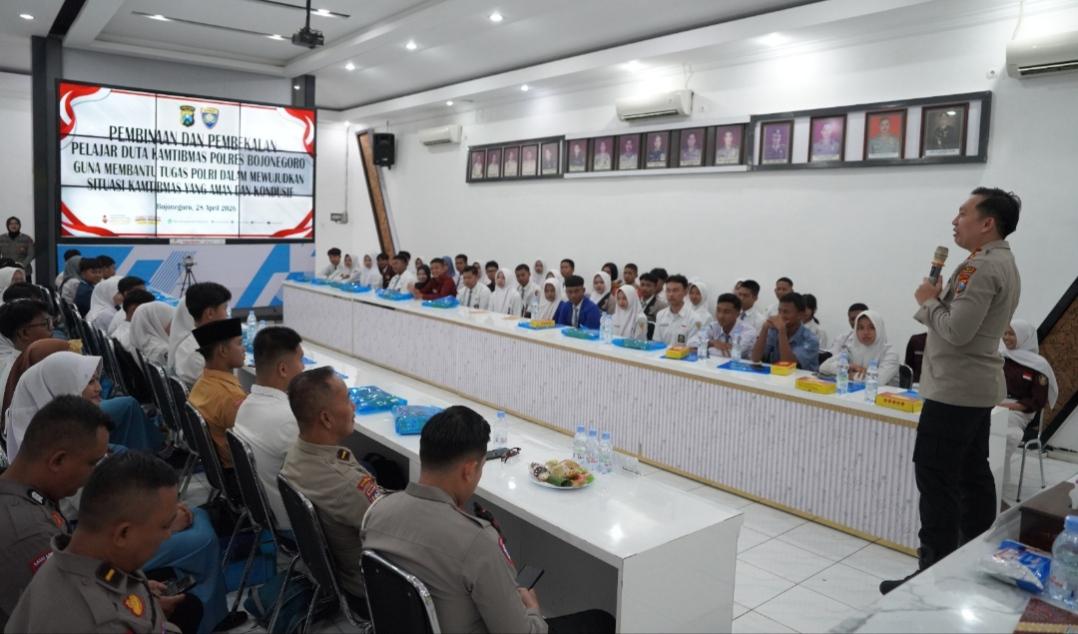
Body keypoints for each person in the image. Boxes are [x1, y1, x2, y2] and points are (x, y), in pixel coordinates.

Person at [361, 405, 615, 634]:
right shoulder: (477, 542)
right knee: (600, 621)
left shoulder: (376, 512)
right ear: (469, 470)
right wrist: (534, 611)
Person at [881, 187, 1022, 594]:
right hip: (974, 386)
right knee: (972, 473)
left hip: (954, 390)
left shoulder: (978, 268)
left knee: (936, 478)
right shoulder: (1002, 261)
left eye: (963, 213)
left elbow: (957, 332)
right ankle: (969, 563)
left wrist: (928, 301)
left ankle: (932, 573)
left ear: (987, 222)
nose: (954, 221)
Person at [6, 451, 193, 634]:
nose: (168, 535)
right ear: (123, 534)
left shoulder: (69, 558)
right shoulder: (103, 625)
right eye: (164, 526)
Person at [0, 396, 110, 628]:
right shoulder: (30, 535)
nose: (95, 474)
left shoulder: (17, 491)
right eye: (92, 463)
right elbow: (69, 619)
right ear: (58, 460)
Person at [280, 367, 384, 609]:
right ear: (326, 419)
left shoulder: (295, 455)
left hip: (340, 572)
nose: (353, 406)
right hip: (369, 586)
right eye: (347, 399)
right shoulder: (346, 483)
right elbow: (393, 530)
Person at [6, 350, 163, 459]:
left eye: (97, 380)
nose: (99, 388)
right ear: (64, 386)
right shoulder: (57, 450)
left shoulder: (51, 424)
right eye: (90, 382)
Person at [233, 327, 305, 531]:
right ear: (283, 369)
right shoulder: (288, 419)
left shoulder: (246, 405)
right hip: (295, 524)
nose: (303, 368)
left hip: (265, 513)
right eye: (301, 360)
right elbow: (320, 476)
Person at [999, 319, 1058, 488]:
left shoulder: (1038, 365)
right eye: (1005, 333)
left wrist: (1010, 406)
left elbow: (1037, 401)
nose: (1006, 338)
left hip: (1021, 411)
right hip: (996, 404)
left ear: (1024, 337)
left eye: (1012, 334)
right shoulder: (1001, 357)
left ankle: (998, 481)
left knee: (1001, 431)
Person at [188, 317, 246, 469]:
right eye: (239, 343)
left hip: (216, 468)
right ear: (223, 351)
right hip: (236, 471)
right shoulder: (231, 396)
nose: (244, 349)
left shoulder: (202, 383)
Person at [169, 282, 232, 389]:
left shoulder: (192, 343)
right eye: (224, 308)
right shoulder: (199, 354)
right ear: (210, 313)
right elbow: (221, 389)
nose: (227, 315)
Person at [820, 310, 899, 385]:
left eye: (872, 327)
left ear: (879, 329)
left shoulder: (890, 353)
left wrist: (848, 375)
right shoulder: (851, 348)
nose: (866, 332)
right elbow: (824, 367)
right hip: (854, 392)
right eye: (861, 328)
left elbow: (878, 381)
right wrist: (849, 367)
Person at [750, 292, 820, 370]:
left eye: (786, 312)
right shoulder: (774, 331)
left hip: (800, 377)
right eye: (779, 311)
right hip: (775, 375)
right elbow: (755, 358)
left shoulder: (811, 339)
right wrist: (765, 328)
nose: (781, 316)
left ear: (800, 315)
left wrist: (782, 331)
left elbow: (788, 364)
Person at [0, 299, 53, 391]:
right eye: (46, 323)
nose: (52, 328)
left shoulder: (18, 362)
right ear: (24, 333)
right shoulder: (29, 374)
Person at [653, 275, 699, 346]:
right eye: (668, 290)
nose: (671, 294)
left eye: (675, 290)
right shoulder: (660, 315)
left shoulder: (694, 318)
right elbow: (656, 342)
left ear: (685, 292)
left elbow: (693, 347)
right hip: (660, 353)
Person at [707, 293, 757, 358]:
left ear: (738, 313)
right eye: (718, 310)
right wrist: (712, 342)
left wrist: (706, 347)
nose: (721, 316)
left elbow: (732, 354)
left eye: (726, 312)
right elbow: (695, 342)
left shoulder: (748, 331)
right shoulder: (714, 326)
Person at [129, 301, 175, 366]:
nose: (176, 327)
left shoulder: (141, 343)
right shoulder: (163, 351)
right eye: (172, 322)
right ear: (158, 324)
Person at [638, 272, 667, 340]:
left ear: (655, 287)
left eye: (648, 285)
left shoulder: (661, 306)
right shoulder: (636, 302)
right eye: (642, 285)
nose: (644, 288)